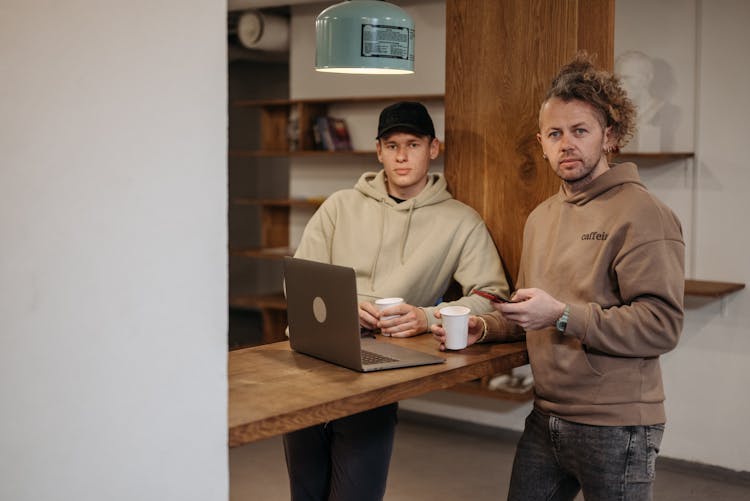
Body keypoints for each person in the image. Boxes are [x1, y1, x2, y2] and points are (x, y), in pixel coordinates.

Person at [432, 53, 685, 500]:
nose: (566, 143)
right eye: (555, 134)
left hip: (618, 425)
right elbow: (534, 311)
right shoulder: (541, 218)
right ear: (542, 143)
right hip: (545, 417)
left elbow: (661, 325)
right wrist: (485, 326)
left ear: (610, 136)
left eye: (579, 131)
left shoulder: (644, 214)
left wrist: (564, 315)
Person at [283, 101, 510, 501]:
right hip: (311, 357)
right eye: (391, 146)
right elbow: (298, 282)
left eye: (413, 144)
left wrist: (426, 317)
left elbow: (492, 298)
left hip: (381, 364)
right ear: (378, 151)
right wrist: (341, 306)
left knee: (356, 492)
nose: (401, 156)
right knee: (304, 491)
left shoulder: (460, 220)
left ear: (433, 148)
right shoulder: (339, 206)